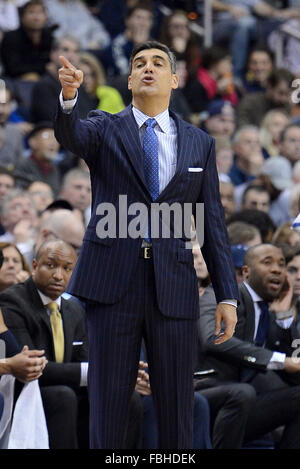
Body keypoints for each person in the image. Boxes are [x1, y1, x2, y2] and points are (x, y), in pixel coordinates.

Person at [54, 39, 239, 449]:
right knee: (110, 406)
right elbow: (73, 136)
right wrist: (70, 99)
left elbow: (212, 224)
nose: (148, 68)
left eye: (158, 62)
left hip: (172, 284)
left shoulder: (200, 143)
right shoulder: (104, 126)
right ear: (131, 78)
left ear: (175, 79)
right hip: (111, 284)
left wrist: (227, 295)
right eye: (140, 63)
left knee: (177, 408)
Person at [198, 243, 300, 448]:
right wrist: (279, 360)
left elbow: (293, 373)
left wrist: (282, 317)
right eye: (267, 262)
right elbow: (213, 338)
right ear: (246, 272)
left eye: (282, 264)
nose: (277, 270)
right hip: (205, 391)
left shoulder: (266, 313)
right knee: (242, 392)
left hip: (244, 400)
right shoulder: (222, 294)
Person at [0, 0, 54, 80]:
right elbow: (13, 67)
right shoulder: (11, 38)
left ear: (46, 17)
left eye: (40, 12)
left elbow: (53, 63)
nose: (36, 17)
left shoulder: (49, 37)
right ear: (22, 17)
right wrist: (43, 68)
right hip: (14, 81)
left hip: (44, 81)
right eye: (31, 12)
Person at [14, 122, 61, 195]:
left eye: (56, 138)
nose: (53, 142)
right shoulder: (22, 165)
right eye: (47, 136)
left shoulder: (55, 169)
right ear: (33, 142)